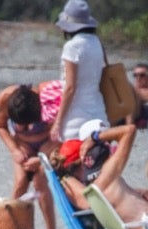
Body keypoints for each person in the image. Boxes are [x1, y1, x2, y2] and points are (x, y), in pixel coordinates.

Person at [51, 122, 148, 229]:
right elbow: (129, 130)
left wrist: (137, 192)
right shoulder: (106, 177)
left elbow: (114, 198)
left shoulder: (87, 191)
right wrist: (94, 138)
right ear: (85, 160)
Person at [0, 84, 59, 229]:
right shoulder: (5, 98)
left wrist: (41, 158)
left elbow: (61, 133)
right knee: (20, 182)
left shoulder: (48, 99)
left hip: (48, 142)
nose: (25, 127)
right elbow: (1, 127)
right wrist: (15, 150)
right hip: (22, 144)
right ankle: (10, 228)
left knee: (40, 181)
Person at [51, 0, 107, 142]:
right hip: (97, 109)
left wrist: (57, 122)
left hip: (76, 116)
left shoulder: (72, 46)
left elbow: (70, 88)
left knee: (72, 158)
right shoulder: (97, 42)